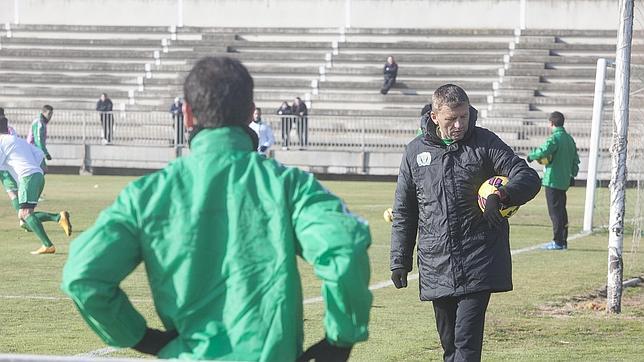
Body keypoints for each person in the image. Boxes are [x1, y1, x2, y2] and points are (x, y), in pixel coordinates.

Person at [62, 56, 372, 361]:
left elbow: (83, 274)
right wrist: (340, 340)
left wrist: (144, 339)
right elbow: (343, 250)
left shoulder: (146, 195)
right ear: (251, 113)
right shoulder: (289, 185)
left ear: (186, 114)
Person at [390, 84, 540, 362]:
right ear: (435, 117)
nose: (459, 124)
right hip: (437, 264)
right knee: (450, 348)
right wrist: (400, 260)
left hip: (479, 260)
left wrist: (502, 196)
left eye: (464, 117)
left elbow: (528, 176)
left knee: (466, 346)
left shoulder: (485, 143)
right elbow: (405, 210)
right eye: (451, 119)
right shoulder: (414, 152)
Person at [0, 116, 72, 254]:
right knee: (25, 218)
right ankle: (58, 217)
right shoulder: (19, 140)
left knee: (25, 214)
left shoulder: (1, 142)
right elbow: (39, 155)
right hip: (37, 176)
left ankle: (48, 245)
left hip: (27, 178)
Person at [527, 111, 580, 250]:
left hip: (552, 180)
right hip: (564, 181)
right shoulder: (569, 139)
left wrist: (531, 156)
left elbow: (544, 151)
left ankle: (557, 242)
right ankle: (563, 241)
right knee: (562, 210)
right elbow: (576, 160)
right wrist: (572, 174)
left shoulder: (555, 138)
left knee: (555, 212)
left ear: (551, 123)